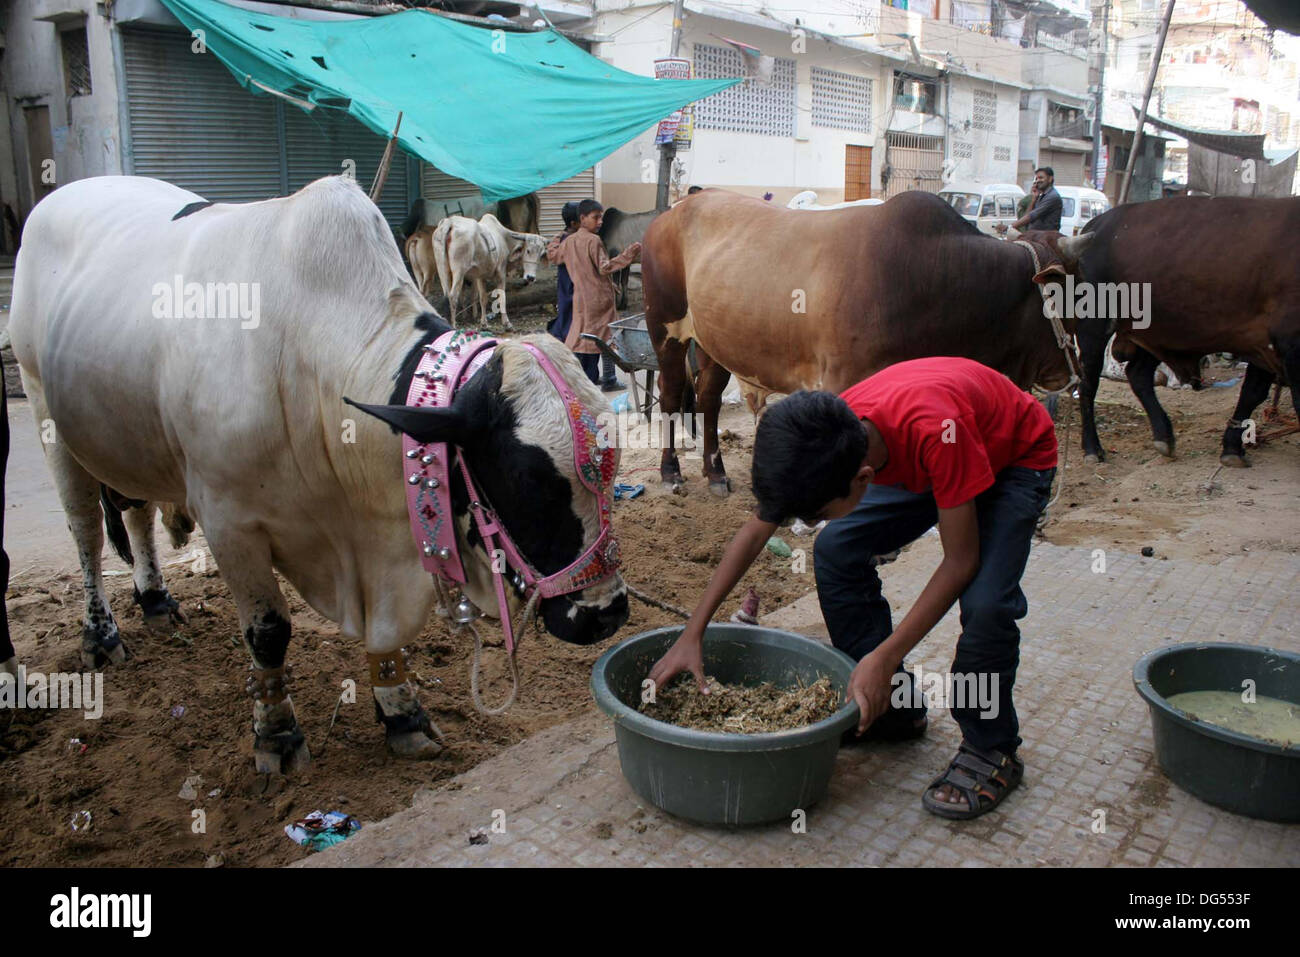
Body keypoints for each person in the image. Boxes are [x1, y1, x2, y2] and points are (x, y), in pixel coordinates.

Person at [647, 356, 1058, 820]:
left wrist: (881, 657)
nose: (811, 522)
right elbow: (757, 527)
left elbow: (960, 562)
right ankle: (893, 707)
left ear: (865, 480)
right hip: (937, 457)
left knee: (985, 603)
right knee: (836, 548)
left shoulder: (937, 428)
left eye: (817, 513)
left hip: (1012, 458)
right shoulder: (829, 432)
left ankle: (991, 747)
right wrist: (693, 632)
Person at [545, 199, 639, 388]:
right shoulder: (593, 240)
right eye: (596, 218)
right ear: (582, 218)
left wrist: (560, 235)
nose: (600, 222)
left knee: (580, 339)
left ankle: (577, 379)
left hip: (580, 299)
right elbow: (605, 268)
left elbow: (553, 255)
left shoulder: (569, 240)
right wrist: (628, 255)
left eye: (601, 218)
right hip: (599, 299)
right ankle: (609, 379)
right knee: (605, 340)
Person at [546, 201, 580, 343]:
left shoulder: (561, 240)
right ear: (573, 224)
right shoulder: (571, 241)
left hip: (567, 287)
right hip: (572, 285)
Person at [998, 167, 1061, 234]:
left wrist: (1009, 227)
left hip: (1045, 239)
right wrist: (1034, 199)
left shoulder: (1052, 196)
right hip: (1034, 235)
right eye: (1036, 179)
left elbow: (1031, 216)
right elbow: (1027, 215)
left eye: (1041, 178)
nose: (1037, 181)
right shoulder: (1041, 196)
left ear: (1050, 179)